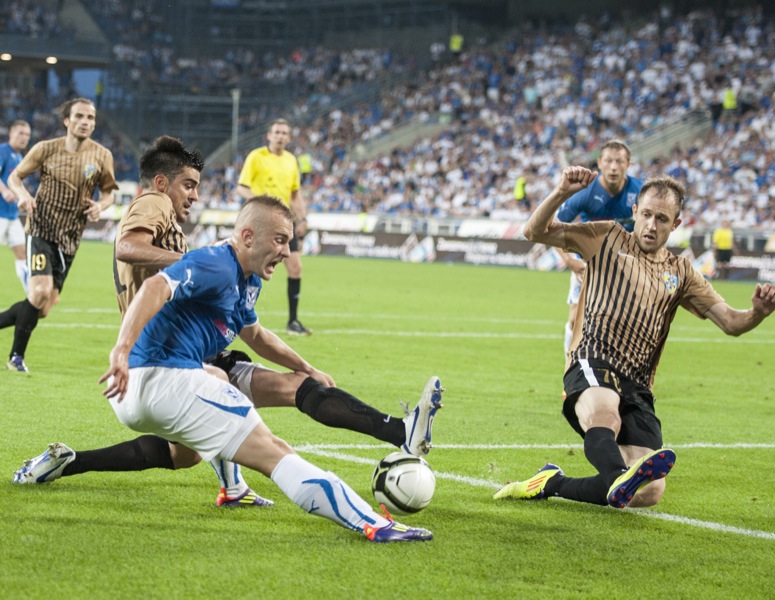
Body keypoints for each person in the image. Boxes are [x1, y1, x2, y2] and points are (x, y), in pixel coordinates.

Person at [13, 137, 443, 508]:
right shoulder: (154, 201)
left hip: (186, 348)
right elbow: (127, 246)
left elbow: (253, 332)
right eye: (189, 185)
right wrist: (197, 263)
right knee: (243, 395)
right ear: (162, 182)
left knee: (187, 453)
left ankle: (73, 461)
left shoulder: (193, 237)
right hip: (167, 353)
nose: (195, 195)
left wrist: (307, 364)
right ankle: (392, 436)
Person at [98, 196, 431, 541]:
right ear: (247, 236)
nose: (286, 252)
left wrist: (307, 368)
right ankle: (375, 525)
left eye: (288, 242)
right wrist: (121, 350)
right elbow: (155, 286)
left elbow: (256, 336)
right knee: (276, 452)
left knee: (219, 378)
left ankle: (233, 489)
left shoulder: (248, 280)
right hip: (161, 380)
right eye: (280, 240)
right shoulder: (217, 262)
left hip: (146, 390)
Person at [494, 166, 775, 509]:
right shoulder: (605, 236)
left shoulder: (682, 272)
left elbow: (732, 322)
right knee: (606, 416)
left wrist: (758, 313)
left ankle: (553, 482)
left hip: (638, 382)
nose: (651, 225)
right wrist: (561, 193)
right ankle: (618, 474)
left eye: (662, 219)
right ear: (634, 211)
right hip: (592, 358)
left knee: (649, 491)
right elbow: (534, 231)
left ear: (676, 224)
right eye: (646, 214)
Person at [0, 98, 117, 372]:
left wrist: (100, 206)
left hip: (70, 239)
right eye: (79, 116)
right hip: (41, 229)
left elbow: (109, 193)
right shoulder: (46, 148)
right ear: (67, 120)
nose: (85, 122)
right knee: (39, 291)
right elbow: (15, 178)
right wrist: (23, 196)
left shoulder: (102, 156)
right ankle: (16, 358)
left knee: (42, 308)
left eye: (90, 118)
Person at [553, 140, 642, 357]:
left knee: (623, 323)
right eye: (609, 161)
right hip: (587, 263)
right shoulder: (586, 191)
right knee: (575, 319)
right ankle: (570, 364)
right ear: (600, 163)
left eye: (619, 161)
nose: (614, 167)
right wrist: (570, 261)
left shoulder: (641, 191)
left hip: (624, 265)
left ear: (628, 164)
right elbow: (554, 225)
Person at [237, 118, 311, 336]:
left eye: (284, 133)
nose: (280, 136)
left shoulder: (291, 161)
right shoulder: (256, 156)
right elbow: (242, 187)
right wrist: (261, 204)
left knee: (295, 267)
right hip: (259, 221)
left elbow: (295, 194)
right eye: (277, 132)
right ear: (269, 135)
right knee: (247, 267)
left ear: (288, 138)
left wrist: (303, 219)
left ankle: (293, 320)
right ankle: (235, 311)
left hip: (284, 222)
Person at [0, 119, 32, 292]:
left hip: (12, 216)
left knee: (22, 255)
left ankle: (32, 298)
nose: (24, 137)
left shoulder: (20, 158)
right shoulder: (3, 151)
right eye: (21, 133)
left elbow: (18, 186)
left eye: (27, 134)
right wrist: (4, 191)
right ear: (11, 133)